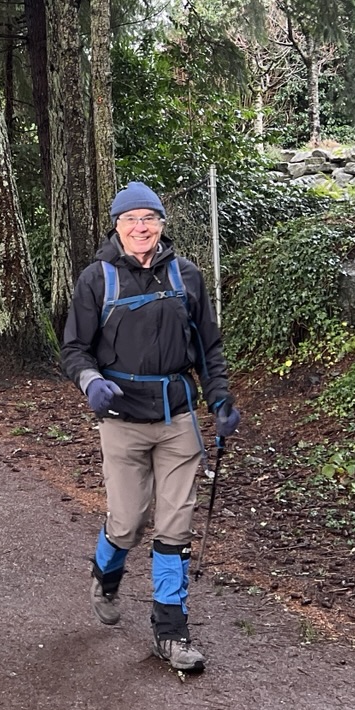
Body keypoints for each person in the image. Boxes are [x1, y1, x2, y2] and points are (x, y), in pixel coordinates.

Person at [61, 181, 241, 673]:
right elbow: (74, 348)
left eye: (149, 218)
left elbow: (208, 348)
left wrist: (220, 398)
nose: (140, 228)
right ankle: (106, 576)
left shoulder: (187, 276)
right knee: (128, 522)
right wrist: (91, 381)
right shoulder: (96, 279)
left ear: (162, 223)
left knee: (174, 527)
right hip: (121, 418)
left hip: (177, 417)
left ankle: (170, 631)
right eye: (131, 219)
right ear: (116, 226)